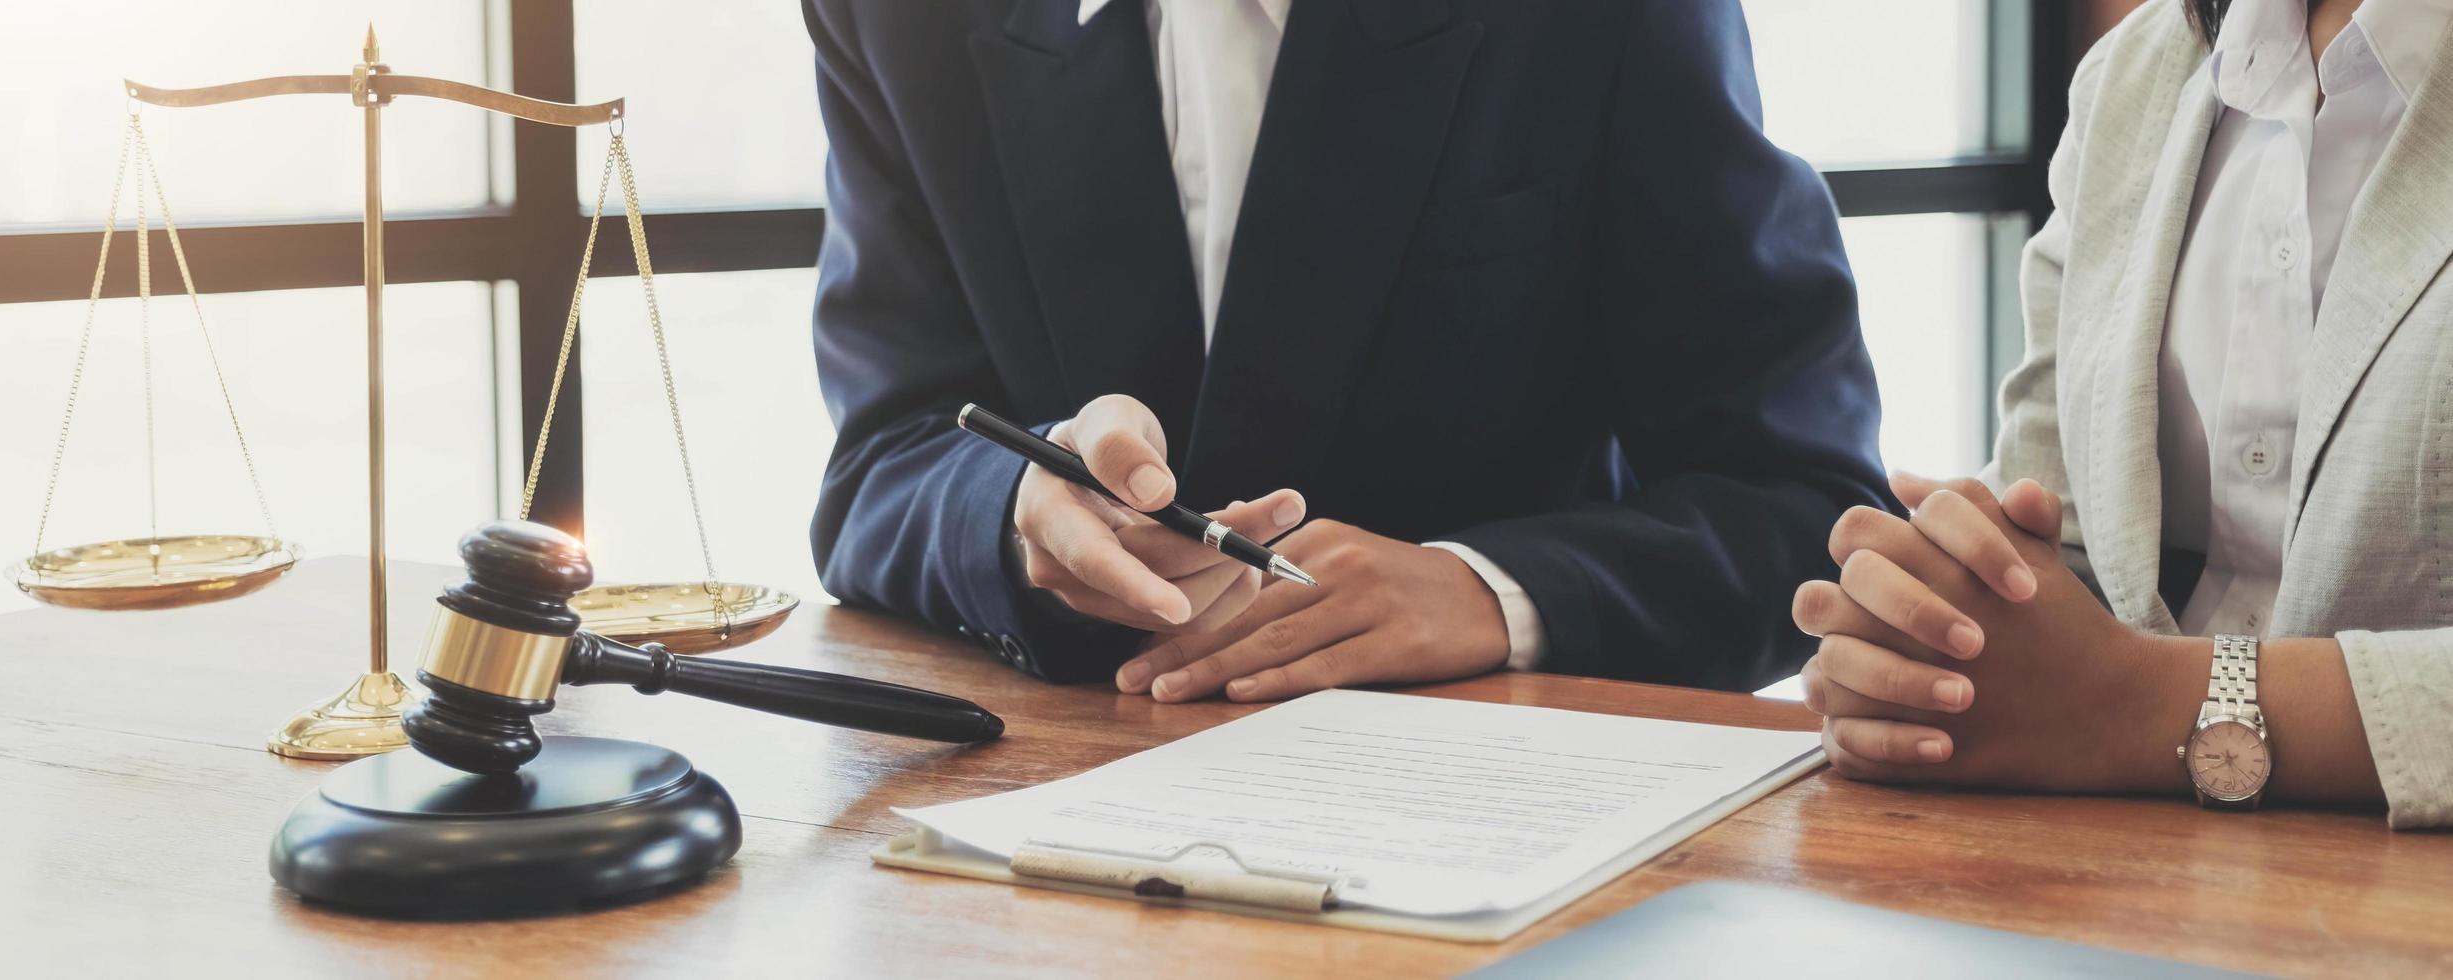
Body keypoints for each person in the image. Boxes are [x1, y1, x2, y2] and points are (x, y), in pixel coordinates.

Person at [806, 0, 1890, 701]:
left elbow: (1803, 501)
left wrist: (1485, 591)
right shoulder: (894, 18)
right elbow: (879, 466)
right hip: (1053, 836)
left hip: (1498, 829)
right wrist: (1015, 507)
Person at [1795, 0, 2453, 827]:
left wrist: (2139, 705)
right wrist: (1933, 638)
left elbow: (2102, 697)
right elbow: (2058, 528)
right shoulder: (2136, 75)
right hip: (2120, 880)